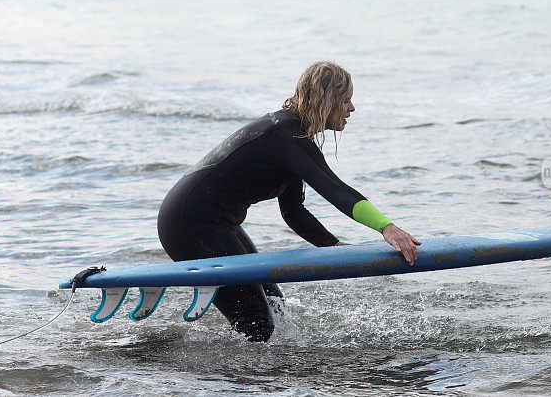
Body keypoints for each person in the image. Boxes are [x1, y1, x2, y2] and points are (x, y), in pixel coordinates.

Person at [157, 61, 421, 342]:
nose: (352, 108)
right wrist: (387, 228)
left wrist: (333, 248)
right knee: (257, 322)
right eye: (345, 101)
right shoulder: (287, 137)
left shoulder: (291, 135)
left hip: (212, 222)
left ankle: (269, 375)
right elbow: (336, 190)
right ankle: (244, 382)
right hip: (192, 223)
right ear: (325, 101)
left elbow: (293, 211)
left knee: (275, 306)